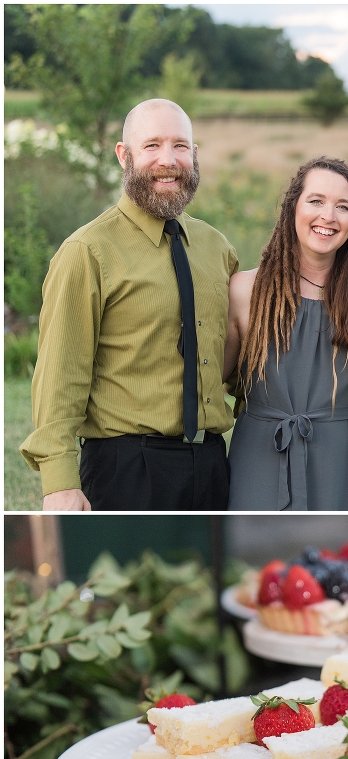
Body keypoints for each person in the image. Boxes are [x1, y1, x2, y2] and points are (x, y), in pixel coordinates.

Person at [20, 99, 237, 511]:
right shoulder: (87, 251)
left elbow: (236, 357)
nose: (168, 160)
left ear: (194, 155)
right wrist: (59, 482)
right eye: (152, 145)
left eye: (180, 146)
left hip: (212, 465)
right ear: (125, 155)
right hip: (126, 468)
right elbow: (60, 374)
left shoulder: (217, 248)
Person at [224, 157, 348, 510]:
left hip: (338, 462)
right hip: (259, 457)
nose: (329, 216)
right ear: (292, 206)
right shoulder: (245, 291)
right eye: (316, 201)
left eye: (343, 207)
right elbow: (214, 380)